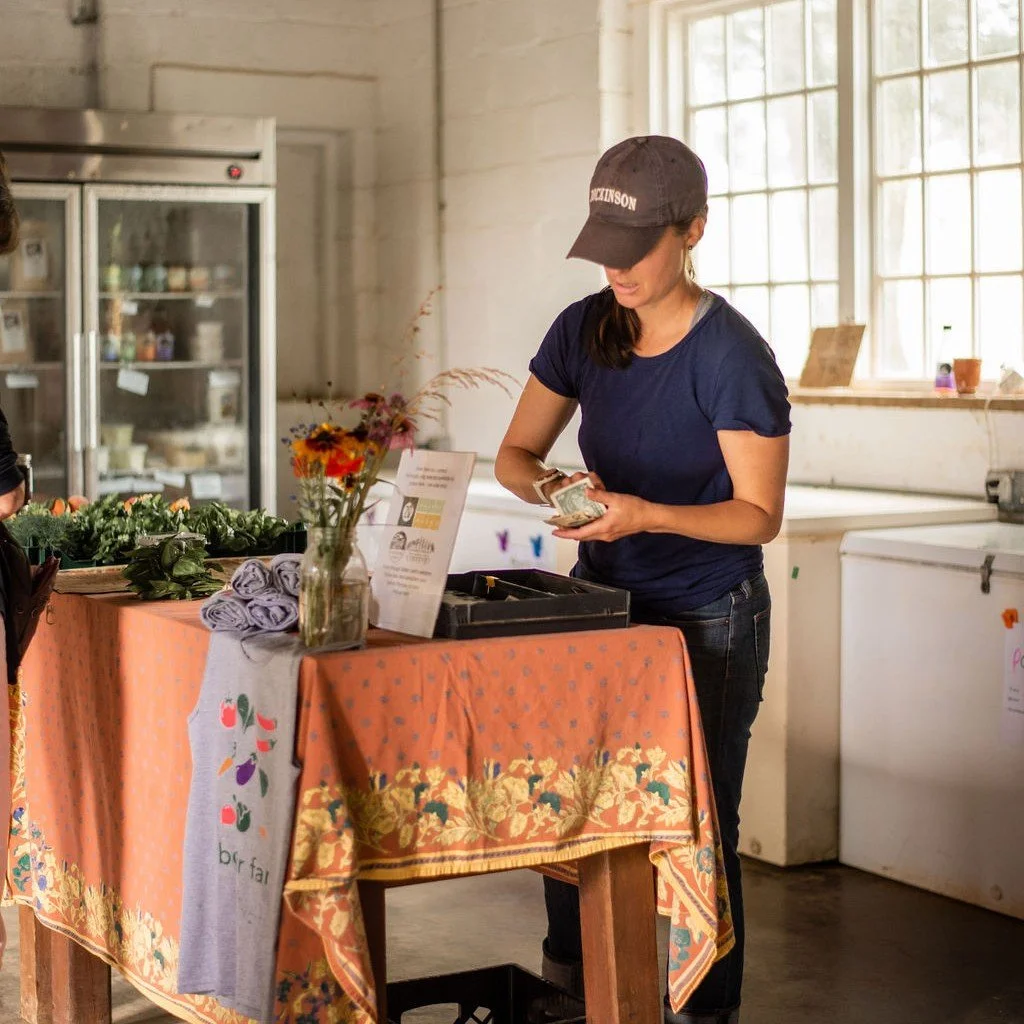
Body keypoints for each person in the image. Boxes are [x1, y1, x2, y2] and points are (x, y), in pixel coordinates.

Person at [495, 135, 791, 1024]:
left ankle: (703, 1010)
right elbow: (515, 456)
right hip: (603, 601)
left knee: (699, 821)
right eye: (604, 250)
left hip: (709, 612)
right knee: (571, 799)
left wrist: (645, 514)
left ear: (693, 230)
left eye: (636, 250)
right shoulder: (583, 327)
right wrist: (563, 490)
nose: (616, 270)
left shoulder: (732, 356)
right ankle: (570, 991)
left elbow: (758, 516)